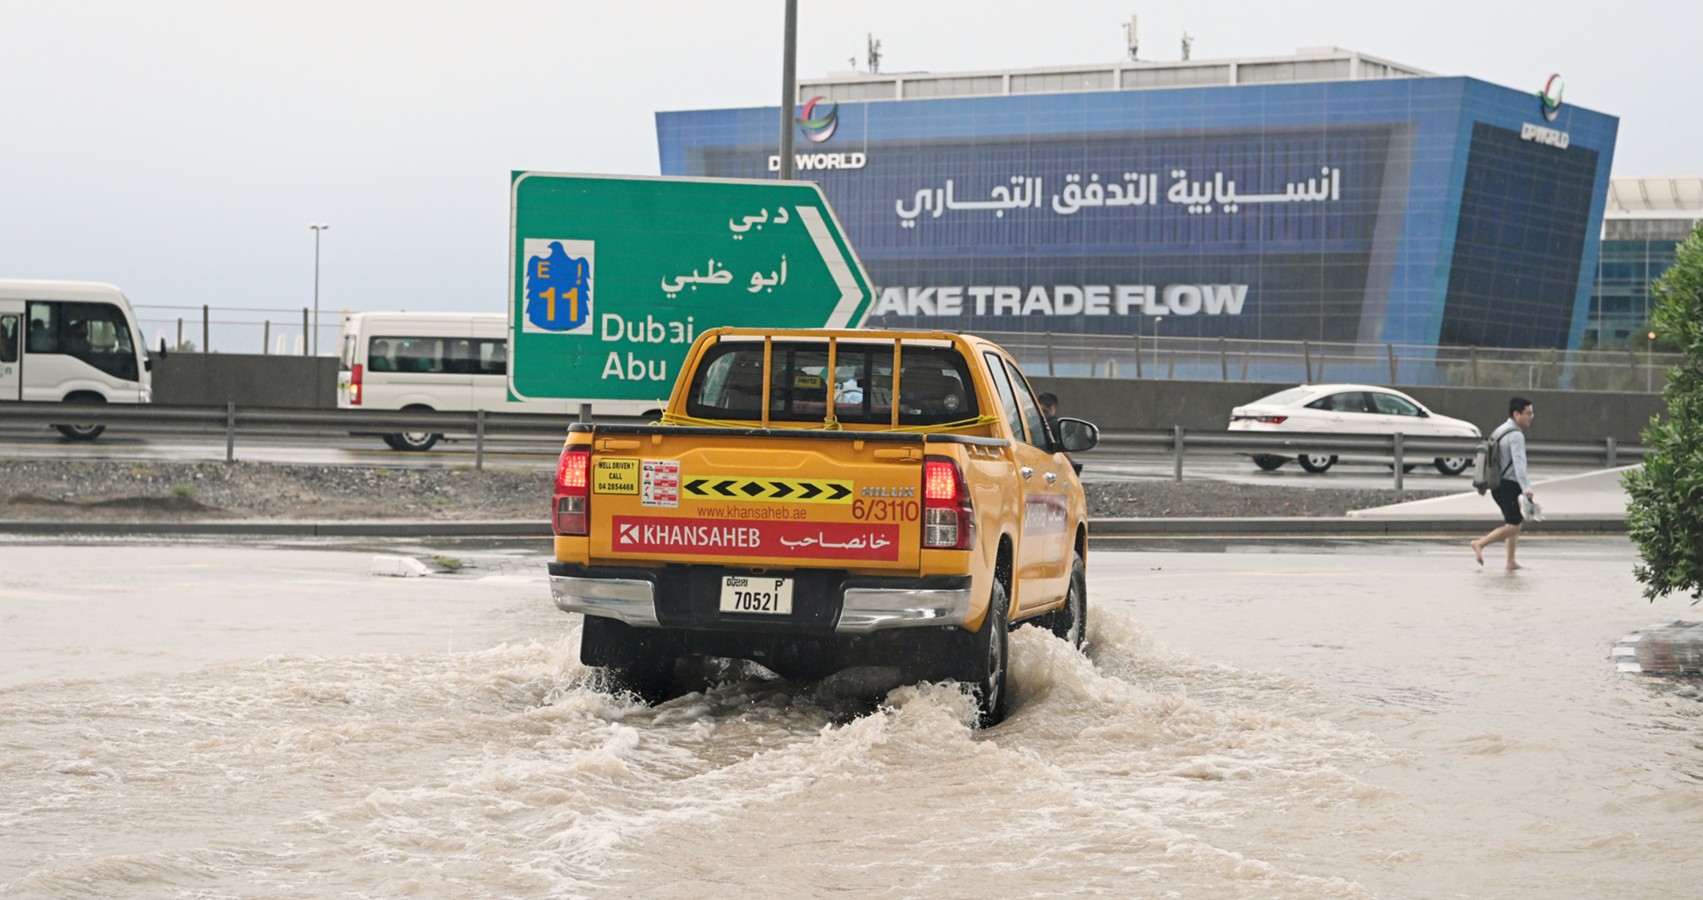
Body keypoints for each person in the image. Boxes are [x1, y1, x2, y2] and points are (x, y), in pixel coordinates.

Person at [1471, 397, 1536, 570]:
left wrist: (1482, 483)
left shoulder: (1500, 430)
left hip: (1499, 485)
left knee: (1514, 522)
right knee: (1513, 526)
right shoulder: (1515, 435)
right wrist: (1526, 488)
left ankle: (1510, 561)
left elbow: (1487, 459)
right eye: (1528, 413)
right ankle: (1480, 544)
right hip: (1508, 485)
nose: (1531, 417)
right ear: (1516, 414)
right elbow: (1519, 464)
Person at [1037, 391, 1083, 475]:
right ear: (1052, 407)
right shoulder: (1055, 424)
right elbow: (1062, 450)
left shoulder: (1026, 419)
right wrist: (1072, 464)